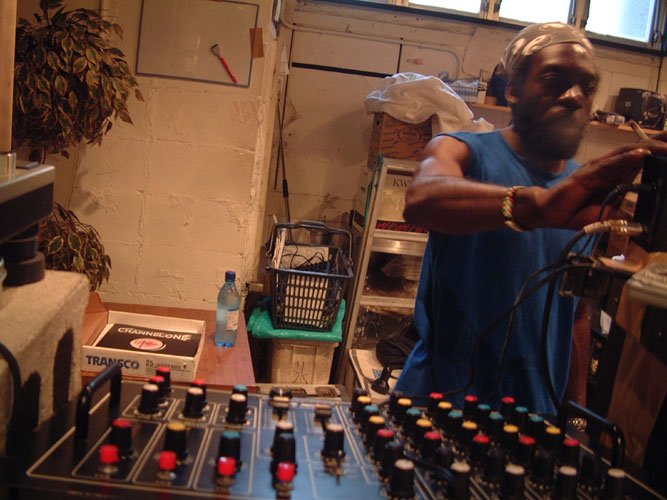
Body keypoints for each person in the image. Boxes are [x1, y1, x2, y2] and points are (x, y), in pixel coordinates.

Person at [394, 22, 667, 415]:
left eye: (587, 86)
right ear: (513, 89)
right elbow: (421, 198)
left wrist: (577, 415)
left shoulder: (585, 188)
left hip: (535, 416)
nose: (574, 96)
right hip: (441, 405)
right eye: (554, 80)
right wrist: (535, 207)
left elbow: (575, 314)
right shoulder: (462, 150)